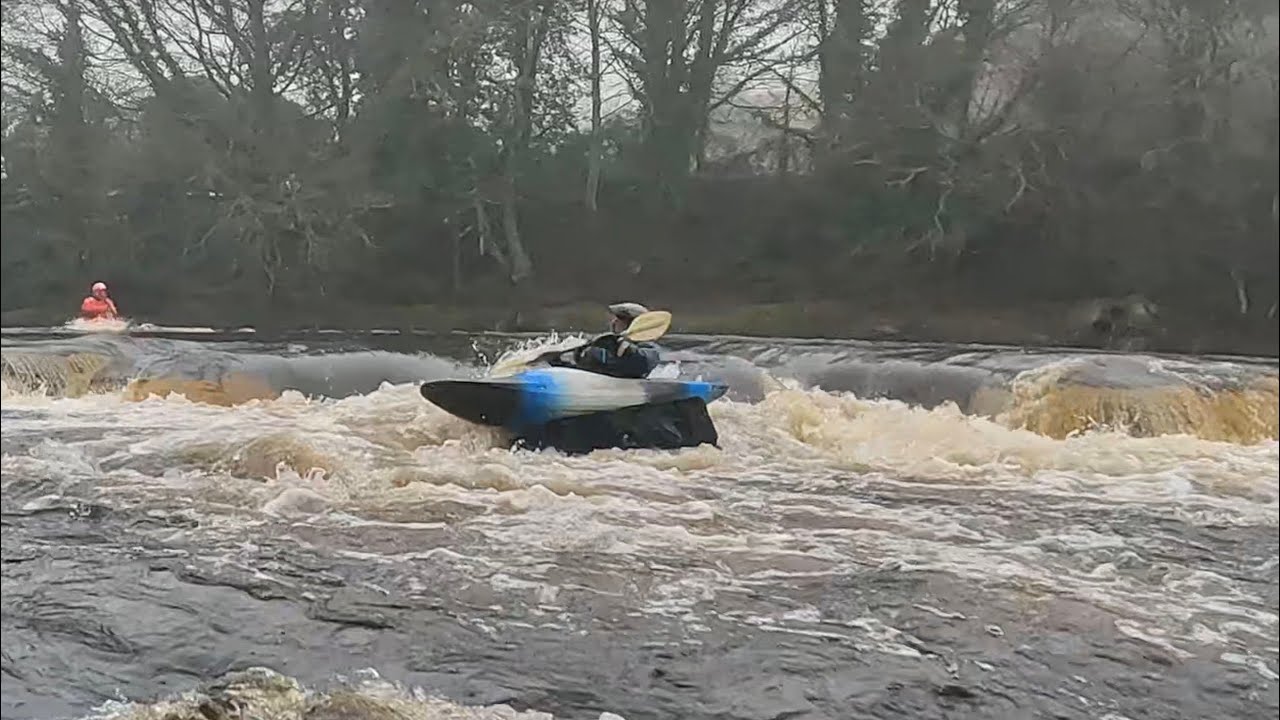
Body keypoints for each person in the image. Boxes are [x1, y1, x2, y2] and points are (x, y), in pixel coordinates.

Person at [573, 302, 661, 379]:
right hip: (596, 380)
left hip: (627, 385)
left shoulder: (650, 349)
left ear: (633, 323)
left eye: (620, 318)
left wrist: (626, 347)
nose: (614, 321)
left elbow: (642, 362)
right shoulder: (603, 341)